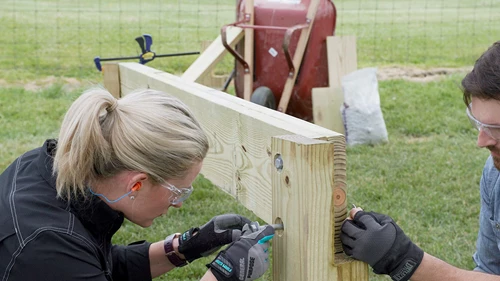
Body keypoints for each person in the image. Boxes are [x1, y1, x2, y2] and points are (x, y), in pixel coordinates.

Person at [0, 88, 275, 281]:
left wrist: (183, 248)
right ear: (137, 184)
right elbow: (68, 263)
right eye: (179, 192)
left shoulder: (49, 170)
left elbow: (95, 264)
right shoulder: (45, 247)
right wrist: (221, 274)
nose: (179, 203)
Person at [340, 41, 500, 281]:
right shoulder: (494, 174)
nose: (481, 140)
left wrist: (405, 260)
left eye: (495, 128)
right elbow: (489, 271)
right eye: (478, 123)